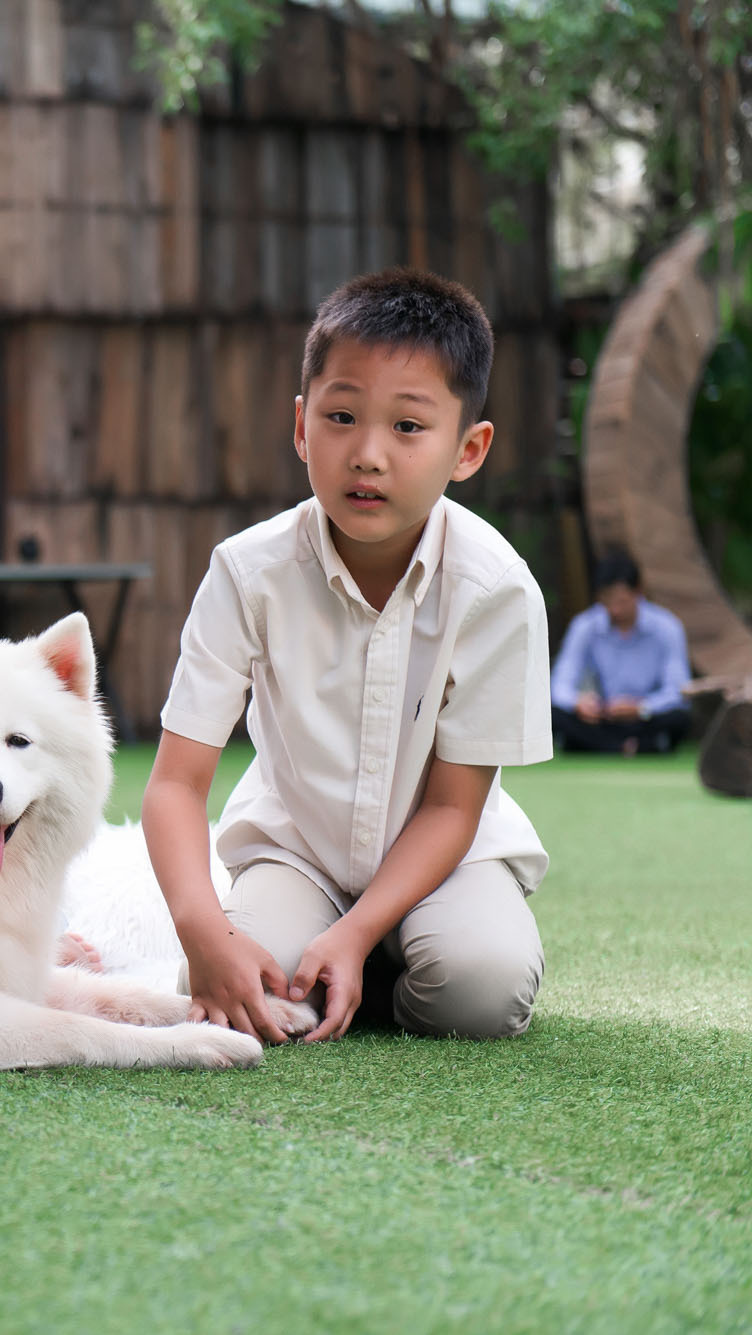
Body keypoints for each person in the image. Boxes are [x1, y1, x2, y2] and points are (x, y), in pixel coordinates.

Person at [144, 268, 552, 1045]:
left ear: (469, 449)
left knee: (477, 992)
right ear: (302, 427)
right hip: (296, 850)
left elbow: (451, 808)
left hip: (447, 859)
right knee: (234, 991)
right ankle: (339, 958)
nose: (367, 454)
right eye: (341, 416)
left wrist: (360, 932)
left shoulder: (495, 589)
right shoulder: (246, 572)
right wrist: (204, 931)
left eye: (408, 427)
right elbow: (175, 782)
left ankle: (389, 957)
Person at [550, 549, 692, 755]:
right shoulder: (585, 625)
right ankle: (633, 748)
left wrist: (641, 707)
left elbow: (679, 691)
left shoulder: (667, 627)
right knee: (556, 715)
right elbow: (560, 684)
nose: (615, 610)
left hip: (645, 717)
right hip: (603, 717)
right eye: (607, 602)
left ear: (638, 592)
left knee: (679, 718)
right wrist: (579, 703)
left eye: (622, 601)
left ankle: (602, 747)